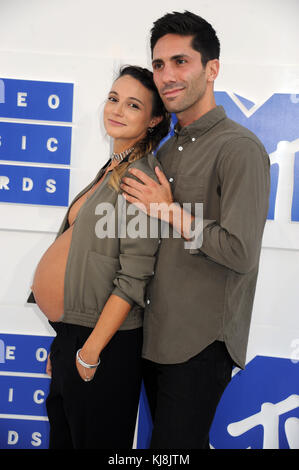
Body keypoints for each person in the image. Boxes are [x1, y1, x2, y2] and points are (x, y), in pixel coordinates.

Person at [121, 11, 270, 449]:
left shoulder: (239, 148)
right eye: (159, 64)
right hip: (152, 336)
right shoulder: (166, 147)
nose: (166, 75)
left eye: (180, 62)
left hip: (200, 343)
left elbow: (241, 252)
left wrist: (170, 211)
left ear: (212, 69)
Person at [27, 65, 170, 449]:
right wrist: (66, 341)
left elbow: (134, 278)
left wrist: (89, 352)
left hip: (103, 344)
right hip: (75, 336)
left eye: (133, 104)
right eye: (113, 98)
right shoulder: (111, 169)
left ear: (154, 119)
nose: (117, 109)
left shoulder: (142, 179)